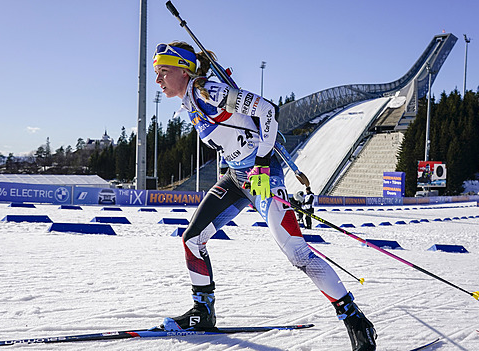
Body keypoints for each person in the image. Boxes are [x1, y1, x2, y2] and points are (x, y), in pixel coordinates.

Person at [153, 41, 377, 351]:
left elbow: (267, 110)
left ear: (184, 69)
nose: (158, 80)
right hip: (236, 178)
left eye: (163, 71)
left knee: (297, 254)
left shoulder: (207, 91)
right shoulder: (191, 101)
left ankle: (355, 319)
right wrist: (227, 172)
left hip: (262, 177)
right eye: (157, 73)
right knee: (192, 238)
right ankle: (203, 311)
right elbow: (229, 138)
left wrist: (260, 163)